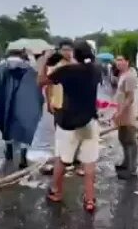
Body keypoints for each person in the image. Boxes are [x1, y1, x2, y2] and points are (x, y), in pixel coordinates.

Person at [38, 40, 101, 212]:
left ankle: (56, 192)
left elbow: (41, 81)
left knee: (63, 160)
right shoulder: (96, 70)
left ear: (75, 54)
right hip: (90, 122)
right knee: (89, 164)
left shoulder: (67, 71)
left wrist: (45, 61)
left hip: (69, 123)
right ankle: (90, 200)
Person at [0, 48, 44, 169]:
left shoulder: (1, 67)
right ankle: (23, 155)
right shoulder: (30, 69)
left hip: (5, 102)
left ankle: (9, 151)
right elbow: (37, 87)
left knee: (6, 125)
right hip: (25, 103)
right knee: (25, 128)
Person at [113, 55, 138, 179]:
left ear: (127, 62)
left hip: (127, 113)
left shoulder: (130, 76)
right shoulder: (122, 75)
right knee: (123, 138)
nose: (118, 63)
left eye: (121, 60)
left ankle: (132, 169)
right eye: (117, 60)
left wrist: (121, 111)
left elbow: (130, 97)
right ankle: (126, 163)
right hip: (122, 112)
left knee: (130, 140)